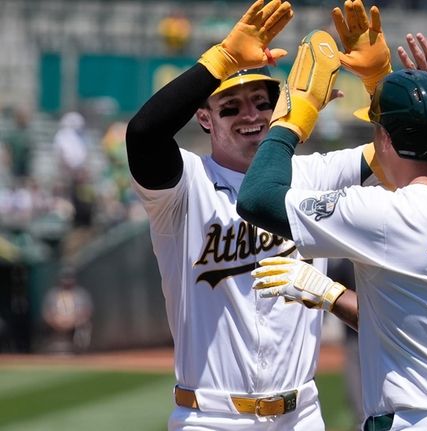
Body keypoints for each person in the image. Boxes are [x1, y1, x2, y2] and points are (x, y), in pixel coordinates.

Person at [237, 23, 427, 429]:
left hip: (412, 421)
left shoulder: (385, 214)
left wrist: (296, 114)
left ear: (384, 139)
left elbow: (256, 197)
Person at [125, 1, 387, 429]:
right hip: (209, 416)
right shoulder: (186, 186)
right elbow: (143, 134)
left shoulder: (313, 173)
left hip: (300, 413)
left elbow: (404, 154)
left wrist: (381, 83)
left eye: (262, 103)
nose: (250, 115)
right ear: (204, 118)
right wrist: (222, 59)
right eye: (230, 105)